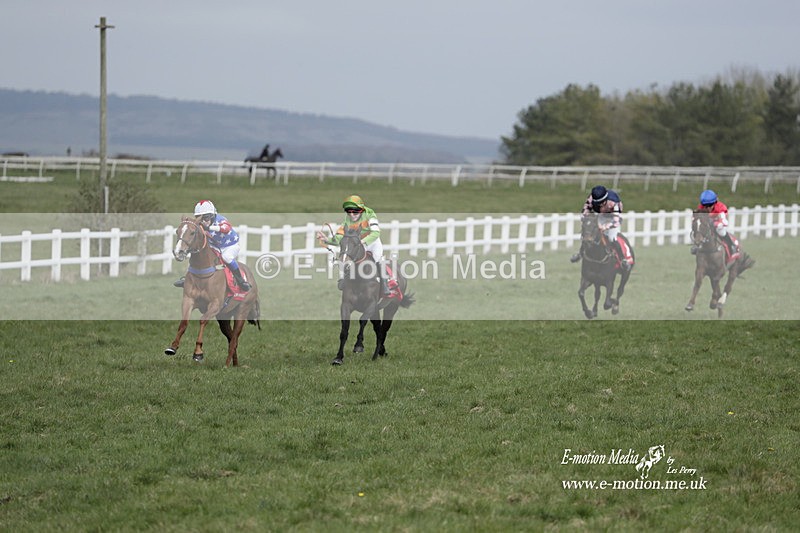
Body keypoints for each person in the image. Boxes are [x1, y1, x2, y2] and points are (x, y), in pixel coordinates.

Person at [316, 195, 391, 296]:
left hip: (372, 241)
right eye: (348, 211)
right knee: (348, 256)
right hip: (358, 242)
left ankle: (385, 284)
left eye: (355, 211)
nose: (351, 214)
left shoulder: (369, 213)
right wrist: (327, 240)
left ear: (361, 209)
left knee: (378, 257)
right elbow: (341, 237)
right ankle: (344, 279)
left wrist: (362, 242)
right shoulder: (348, 219)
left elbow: (376, 233)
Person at [174, 200, 251, 291]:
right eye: (199, 217)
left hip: (230, 246)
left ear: (212, 216)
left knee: (226, 258)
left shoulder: (221, 220)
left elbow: (226, 228)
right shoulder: (202, 223)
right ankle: (187, 279)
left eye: (206, 218)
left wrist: (209, 228)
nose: (203, 221)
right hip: (214, 246)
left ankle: (240, 281)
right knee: (198, 255)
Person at [570, 185, 632, 271]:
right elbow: (585, 210)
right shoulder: (591, 198)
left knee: (611, 238)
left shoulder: (614, 202)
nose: (600, 205)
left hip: (612, 218)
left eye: (603, 202)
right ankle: (580, 254)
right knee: (589, 234)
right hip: (600, 216)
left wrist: (605, 227)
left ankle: (623, 260)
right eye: (598, 203)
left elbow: (616, 221)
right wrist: (586, 219)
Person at [692, 189, 741, 266]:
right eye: (705, 205)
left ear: (715, 202)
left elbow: (725, 222)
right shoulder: (701, 207)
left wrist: (715, 224)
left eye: (710, 205)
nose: (707, 208)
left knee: (721, 231)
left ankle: (732, 247)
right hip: (707, 225)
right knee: (699, 230)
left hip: (718, 225)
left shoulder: (721, 207)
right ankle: (697, 246)